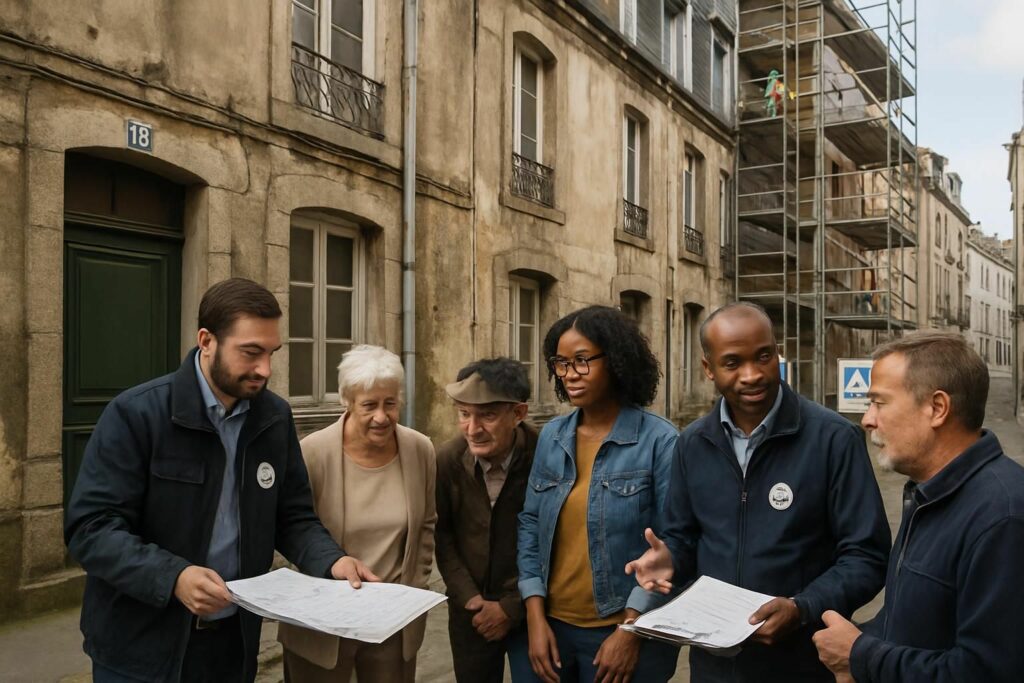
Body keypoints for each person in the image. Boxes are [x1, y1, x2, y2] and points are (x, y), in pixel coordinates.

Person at [65, 278, 376, 683]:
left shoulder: (274, 418)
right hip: (139, 651)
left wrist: (331, 560)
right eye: (250, 353)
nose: (264, 369)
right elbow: (90, 529)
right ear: (206, 340)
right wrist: (173, 576)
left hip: (232, 647)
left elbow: (293, 516)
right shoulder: (136, 415)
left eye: (271, 353)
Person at [626, 302, 890, 682]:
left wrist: (801, 608)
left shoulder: (834, 439)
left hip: (804, 665)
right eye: (732, 363)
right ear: (708, 368)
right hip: (714, 667)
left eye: (763, 356)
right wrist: (670, 560)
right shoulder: (692, 444)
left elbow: (867, 556)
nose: (752, 375)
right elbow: (684, 538)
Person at [813, 331, 1024, 683]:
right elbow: (910, 623)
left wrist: (860, 655)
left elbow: (985, 671)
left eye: (879, 402)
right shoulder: (927, 493)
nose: (867, 419)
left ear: (937, 408)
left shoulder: (1003, 517)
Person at [516, 305, 680, 683]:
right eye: (561, 363)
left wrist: (629, 631)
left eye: (582, 360)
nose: (570, 374)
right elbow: (530, 525)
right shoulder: (552, 437)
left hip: (626, 630)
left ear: (618, 360)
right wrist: (535, 619)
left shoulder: (661, 441)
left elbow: (673, 544)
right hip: (554, 629)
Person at [277, 344, 436, 683]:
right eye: (369, 405)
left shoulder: (419, 449)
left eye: (390, 403)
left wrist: (416, 584)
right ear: (346, 402)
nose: (382, 416)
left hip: (392, 623)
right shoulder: (312, 453)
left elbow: (426, 525)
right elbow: (292, 527)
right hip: (322, 621)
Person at [435, 358, 539, 682]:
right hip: (471, 613)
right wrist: (471, 599)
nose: (472, 428)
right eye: (464, 414)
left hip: (533, 609)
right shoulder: (447, 460)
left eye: (488, 416)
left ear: (518, 414)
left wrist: (511, 607)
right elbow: (442, 537)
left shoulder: (545, 456)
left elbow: (557, 539)